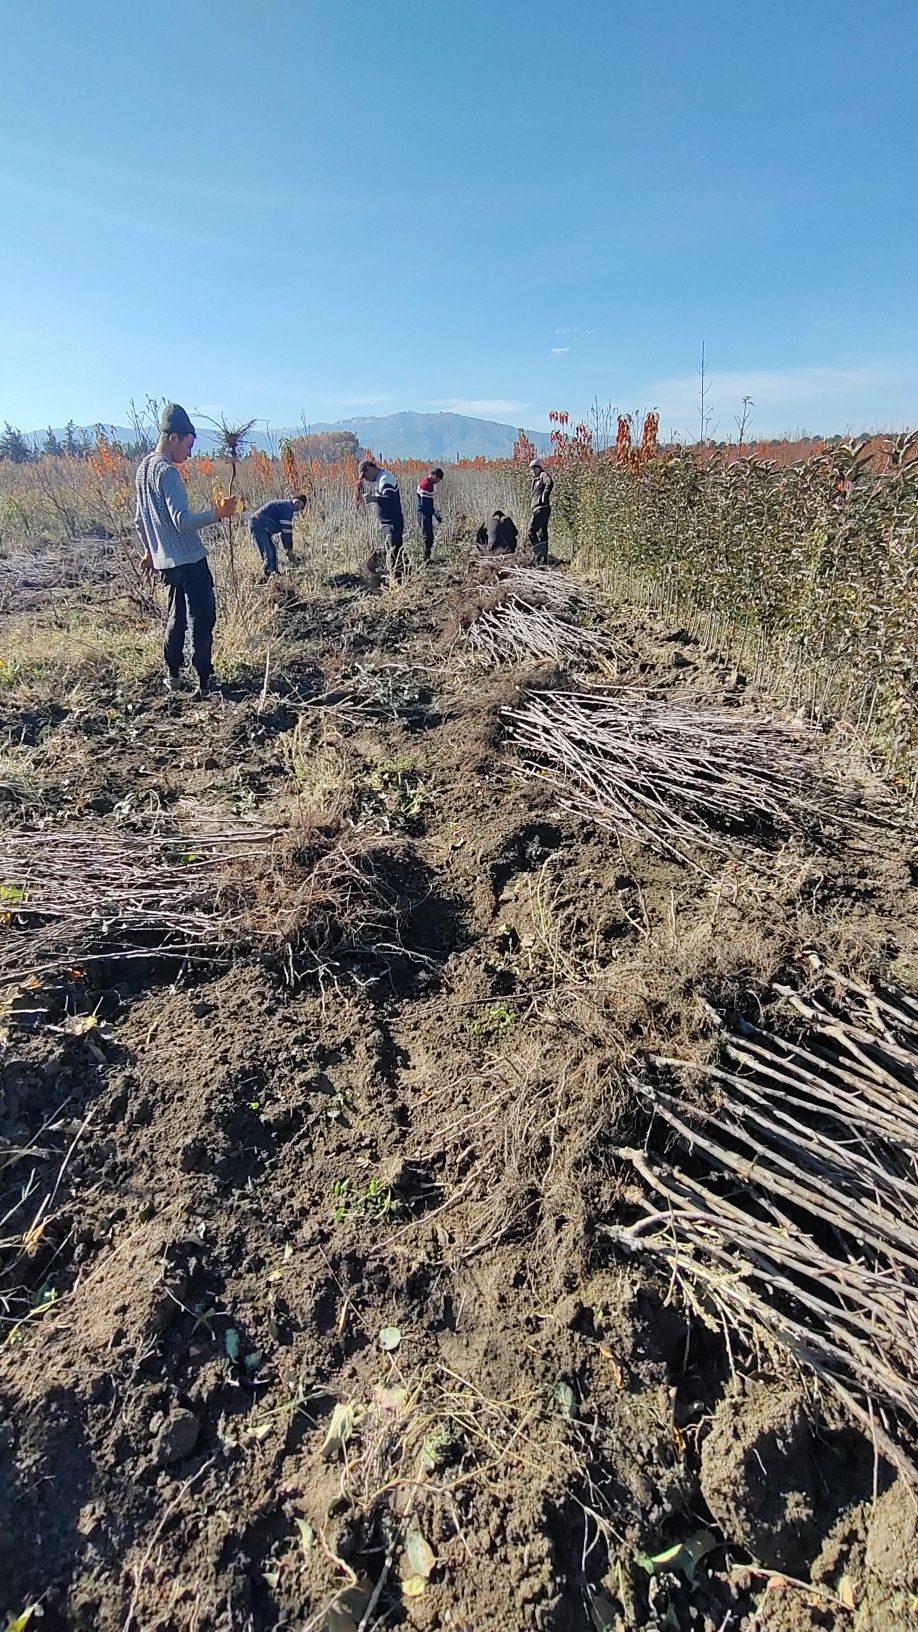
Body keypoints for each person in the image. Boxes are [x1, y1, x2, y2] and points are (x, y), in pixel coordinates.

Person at [134, 402, 239, 700]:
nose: (190, 454)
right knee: (201, 619)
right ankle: (205, 682)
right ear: (174, 437)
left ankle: (173, 675)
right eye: (189, 445)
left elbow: (140, 520)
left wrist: (150, 552)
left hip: (167, 564)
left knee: (175, 618)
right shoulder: (167, 471)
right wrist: (217, 513)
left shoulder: (143, 469)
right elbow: (182, 521)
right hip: (190, 560)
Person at [354, 457, 406, 581]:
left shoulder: (385, 479)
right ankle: (405, 578)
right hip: (387, 524)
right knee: (396, 552)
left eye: (365, 476)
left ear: (370, 469)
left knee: (394, 554)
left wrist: (374, 499)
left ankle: (398, 583)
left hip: (392, 523)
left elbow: (390, 499)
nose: (366, 479)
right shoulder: (380, 479)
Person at [249, 494, 308, 577]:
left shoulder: (287, 508)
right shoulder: (287, 507)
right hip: (258, 525)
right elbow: (286, 531)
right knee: (269, 552)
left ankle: (274, 575)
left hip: (262, 527)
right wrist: (289, 550)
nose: (298, 506)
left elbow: (284, 532)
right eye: (298, 502)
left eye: (301, 506)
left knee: (272, 550)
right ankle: (271, 577)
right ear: (292, 499)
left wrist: (287, 549)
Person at [528, 458, 554, 565]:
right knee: (542, 534)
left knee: (531, 532)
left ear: (539, 468)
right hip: (537, 509)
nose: (533, 471)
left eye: (534, 468)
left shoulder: (543, 475)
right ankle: (544, 558)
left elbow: (550, 483)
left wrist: (544, 496)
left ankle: (538, 553)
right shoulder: (535, 480)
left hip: (542, 508)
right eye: (532, 469)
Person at [416, 467, 444, 561]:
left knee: (429, 536)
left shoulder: (430, 483)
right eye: (438, 479)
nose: (438, 482)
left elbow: (429, 504)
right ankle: (426, 559)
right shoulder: (426, 485)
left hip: (426, 512)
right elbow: (425, 505)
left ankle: (427, 557)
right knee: (428, 536)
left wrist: (435, 513)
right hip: (423, 513)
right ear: (435, 476)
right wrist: (435, 514)